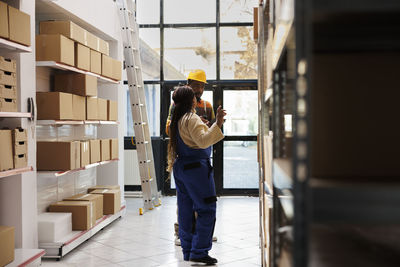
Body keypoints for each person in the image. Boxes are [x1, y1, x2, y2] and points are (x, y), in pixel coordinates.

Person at [167, 86, 226, 264]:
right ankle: (199, 252)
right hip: (196, 170)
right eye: (194, 96)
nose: (196, 99)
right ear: (191, 100)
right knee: (206, 209)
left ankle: (188, 249)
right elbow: (202, 141)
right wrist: (218, 123)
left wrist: (202, 126)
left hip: (181, 168)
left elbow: (193, 137)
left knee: (185, 210)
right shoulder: (190, 118)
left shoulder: (178, 118)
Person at [166, 69, 217, 246]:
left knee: (198, 201)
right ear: (188, 84)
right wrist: (188, 127)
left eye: (202, 86)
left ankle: (200, 236)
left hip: (200, 155)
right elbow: (169, 128)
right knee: (187, 202)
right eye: (196, 85)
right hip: (187, 156)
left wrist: (205, 126)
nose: (199, 89)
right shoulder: (177, 105)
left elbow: (210, 131)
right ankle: (181, 234)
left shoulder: (207, 106)